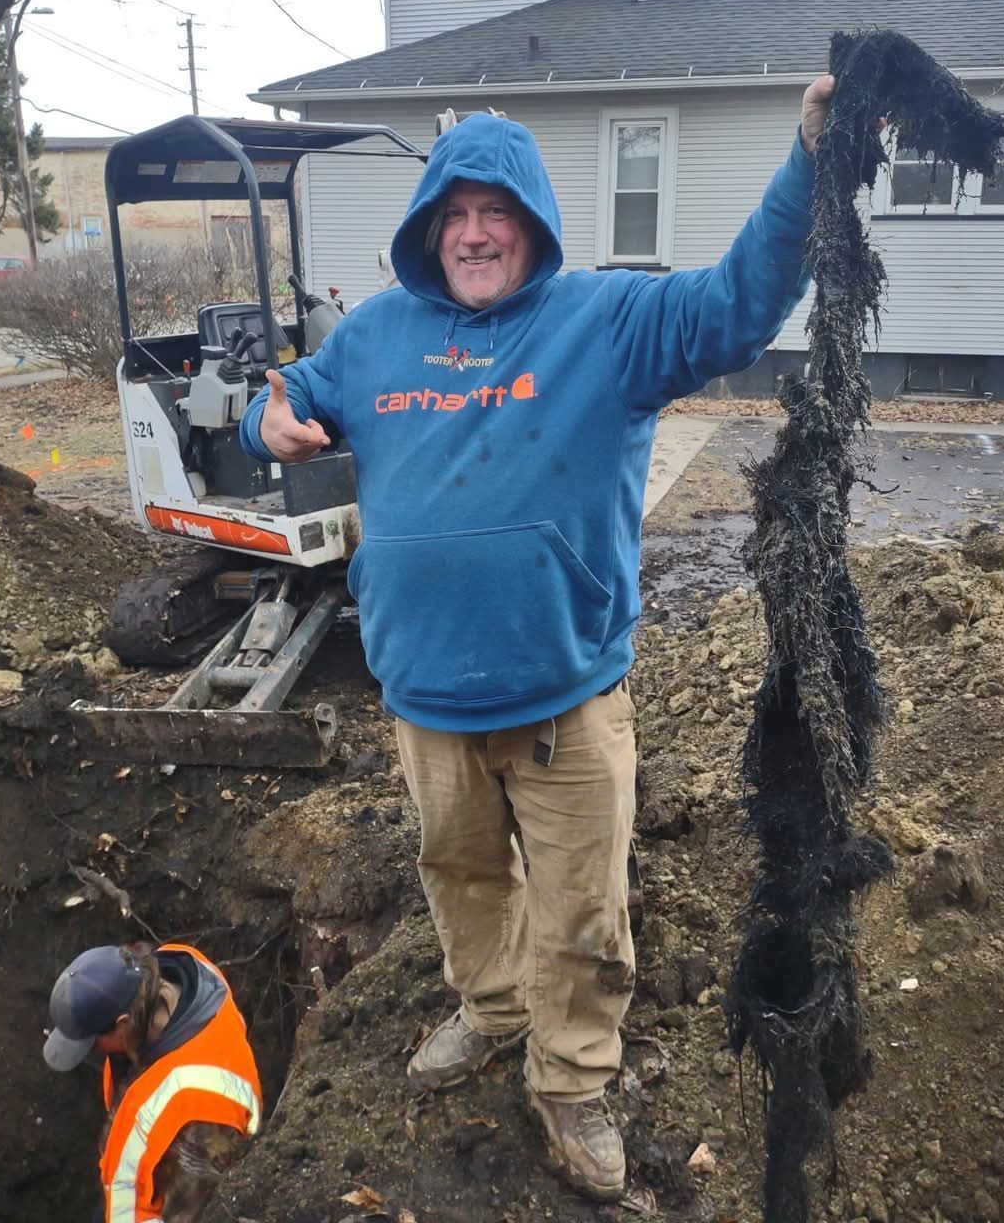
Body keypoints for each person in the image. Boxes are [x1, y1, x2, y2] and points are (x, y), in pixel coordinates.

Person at [240, 79, 835, 1202]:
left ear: (533, 224)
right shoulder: (374, 337)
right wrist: (266, 415)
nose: (473, 232)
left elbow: (741, 301)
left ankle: (570, 1080)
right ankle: (493, 1009)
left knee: (582, 910)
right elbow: (287, 392)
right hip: (425, 698)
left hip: (565, 700)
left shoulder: (606, 324)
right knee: (459, 875)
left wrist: (808, 164)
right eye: (453, 213)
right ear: (427, 229)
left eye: (495, 212)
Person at [43, 941, 262, 1222]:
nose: (93, 1052)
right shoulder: (184, 972)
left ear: (122, 1023)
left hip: (180, 1189)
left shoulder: (176, 1107)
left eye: (93, 1043)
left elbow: (154, 1213)